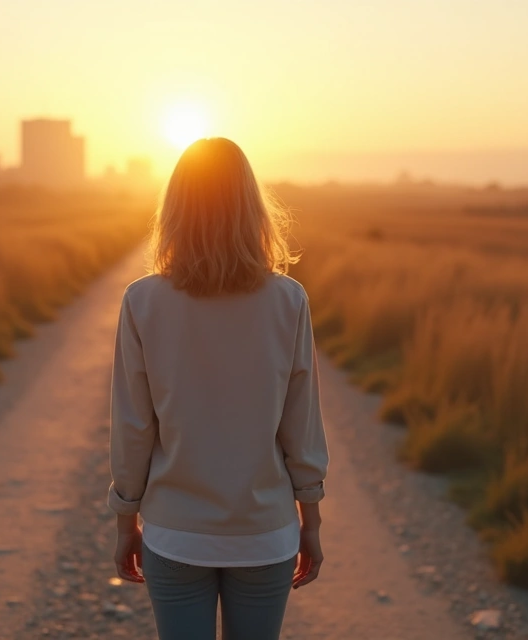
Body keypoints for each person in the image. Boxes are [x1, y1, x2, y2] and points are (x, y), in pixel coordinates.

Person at [107, 137, 330, 640]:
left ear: (174, 210)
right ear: (253, 208)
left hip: (175, 536)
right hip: (265, 535)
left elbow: (133, 428)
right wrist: (310, 522)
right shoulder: (288, 299)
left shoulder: (142, 301)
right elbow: (302, 428)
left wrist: (125, 523)